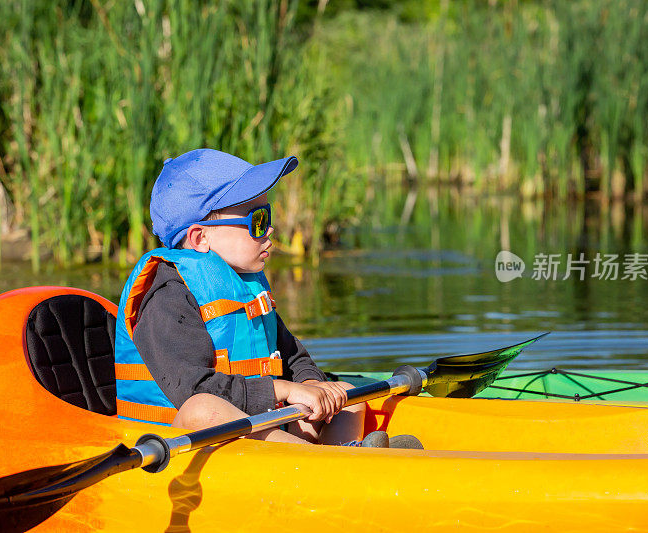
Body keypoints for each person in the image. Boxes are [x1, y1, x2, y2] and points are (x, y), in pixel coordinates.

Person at [114, 148, 420, 448]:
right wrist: (284, 390)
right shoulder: (167, 298)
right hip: (181, 446)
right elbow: (194, 388)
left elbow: (292, 355)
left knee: (345, 395)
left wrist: (311, 384)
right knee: (202, 408)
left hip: (257, 432)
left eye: (268, 216)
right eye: (257, 221)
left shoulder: (245, 285)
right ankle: (330, 465)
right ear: (200, 238)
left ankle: (342, 454)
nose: (270, 229)